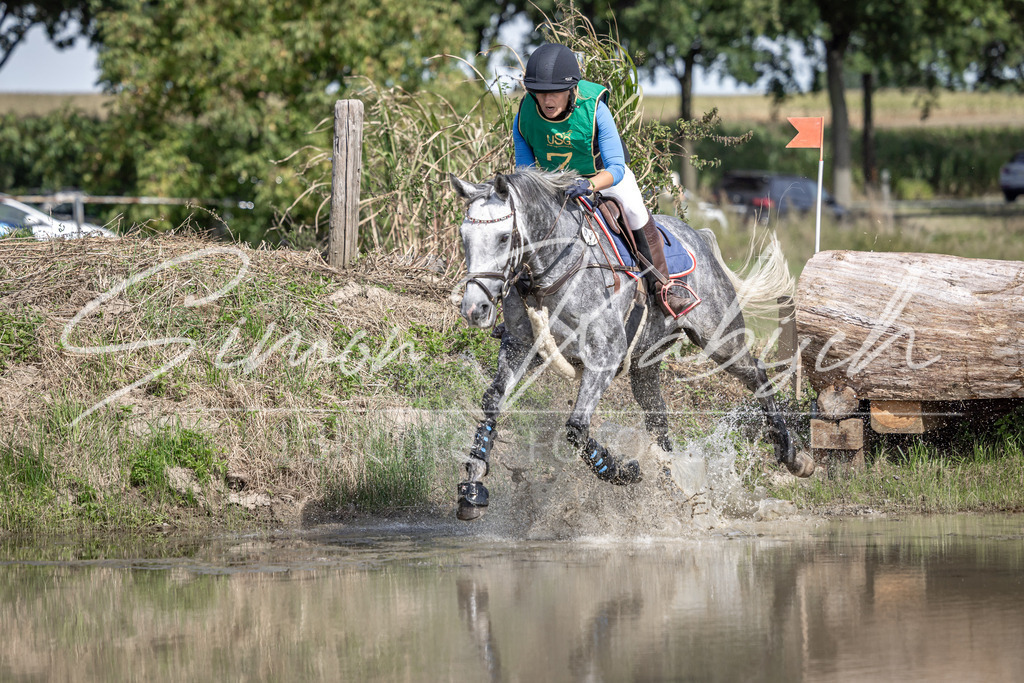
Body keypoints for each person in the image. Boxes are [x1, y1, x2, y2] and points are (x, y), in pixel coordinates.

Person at [513, 42, 694, 317]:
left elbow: (617, 168)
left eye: (555, 92)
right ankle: (517, 306)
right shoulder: (525, 115)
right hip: (555, 184)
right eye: (540, 93)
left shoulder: (595, 108)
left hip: (604, 177)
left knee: (634, 210)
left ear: (571, 89)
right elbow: (525, 173)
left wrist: (589, 185)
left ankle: (663, 287)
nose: (547, 100)